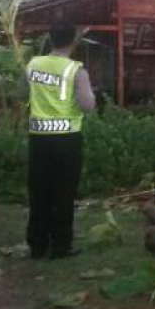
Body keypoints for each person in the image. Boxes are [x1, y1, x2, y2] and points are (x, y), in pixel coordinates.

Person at [25, 23, 96, 259]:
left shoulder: (33, 64)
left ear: (50, 38)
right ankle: (61, 246)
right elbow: (88, 106)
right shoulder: (77, 71)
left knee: (39, 192)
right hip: (67, 141)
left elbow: (24, 91)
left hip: (38, 140)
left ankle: (37, 245)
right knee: (64, 193)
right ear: (74, 41)